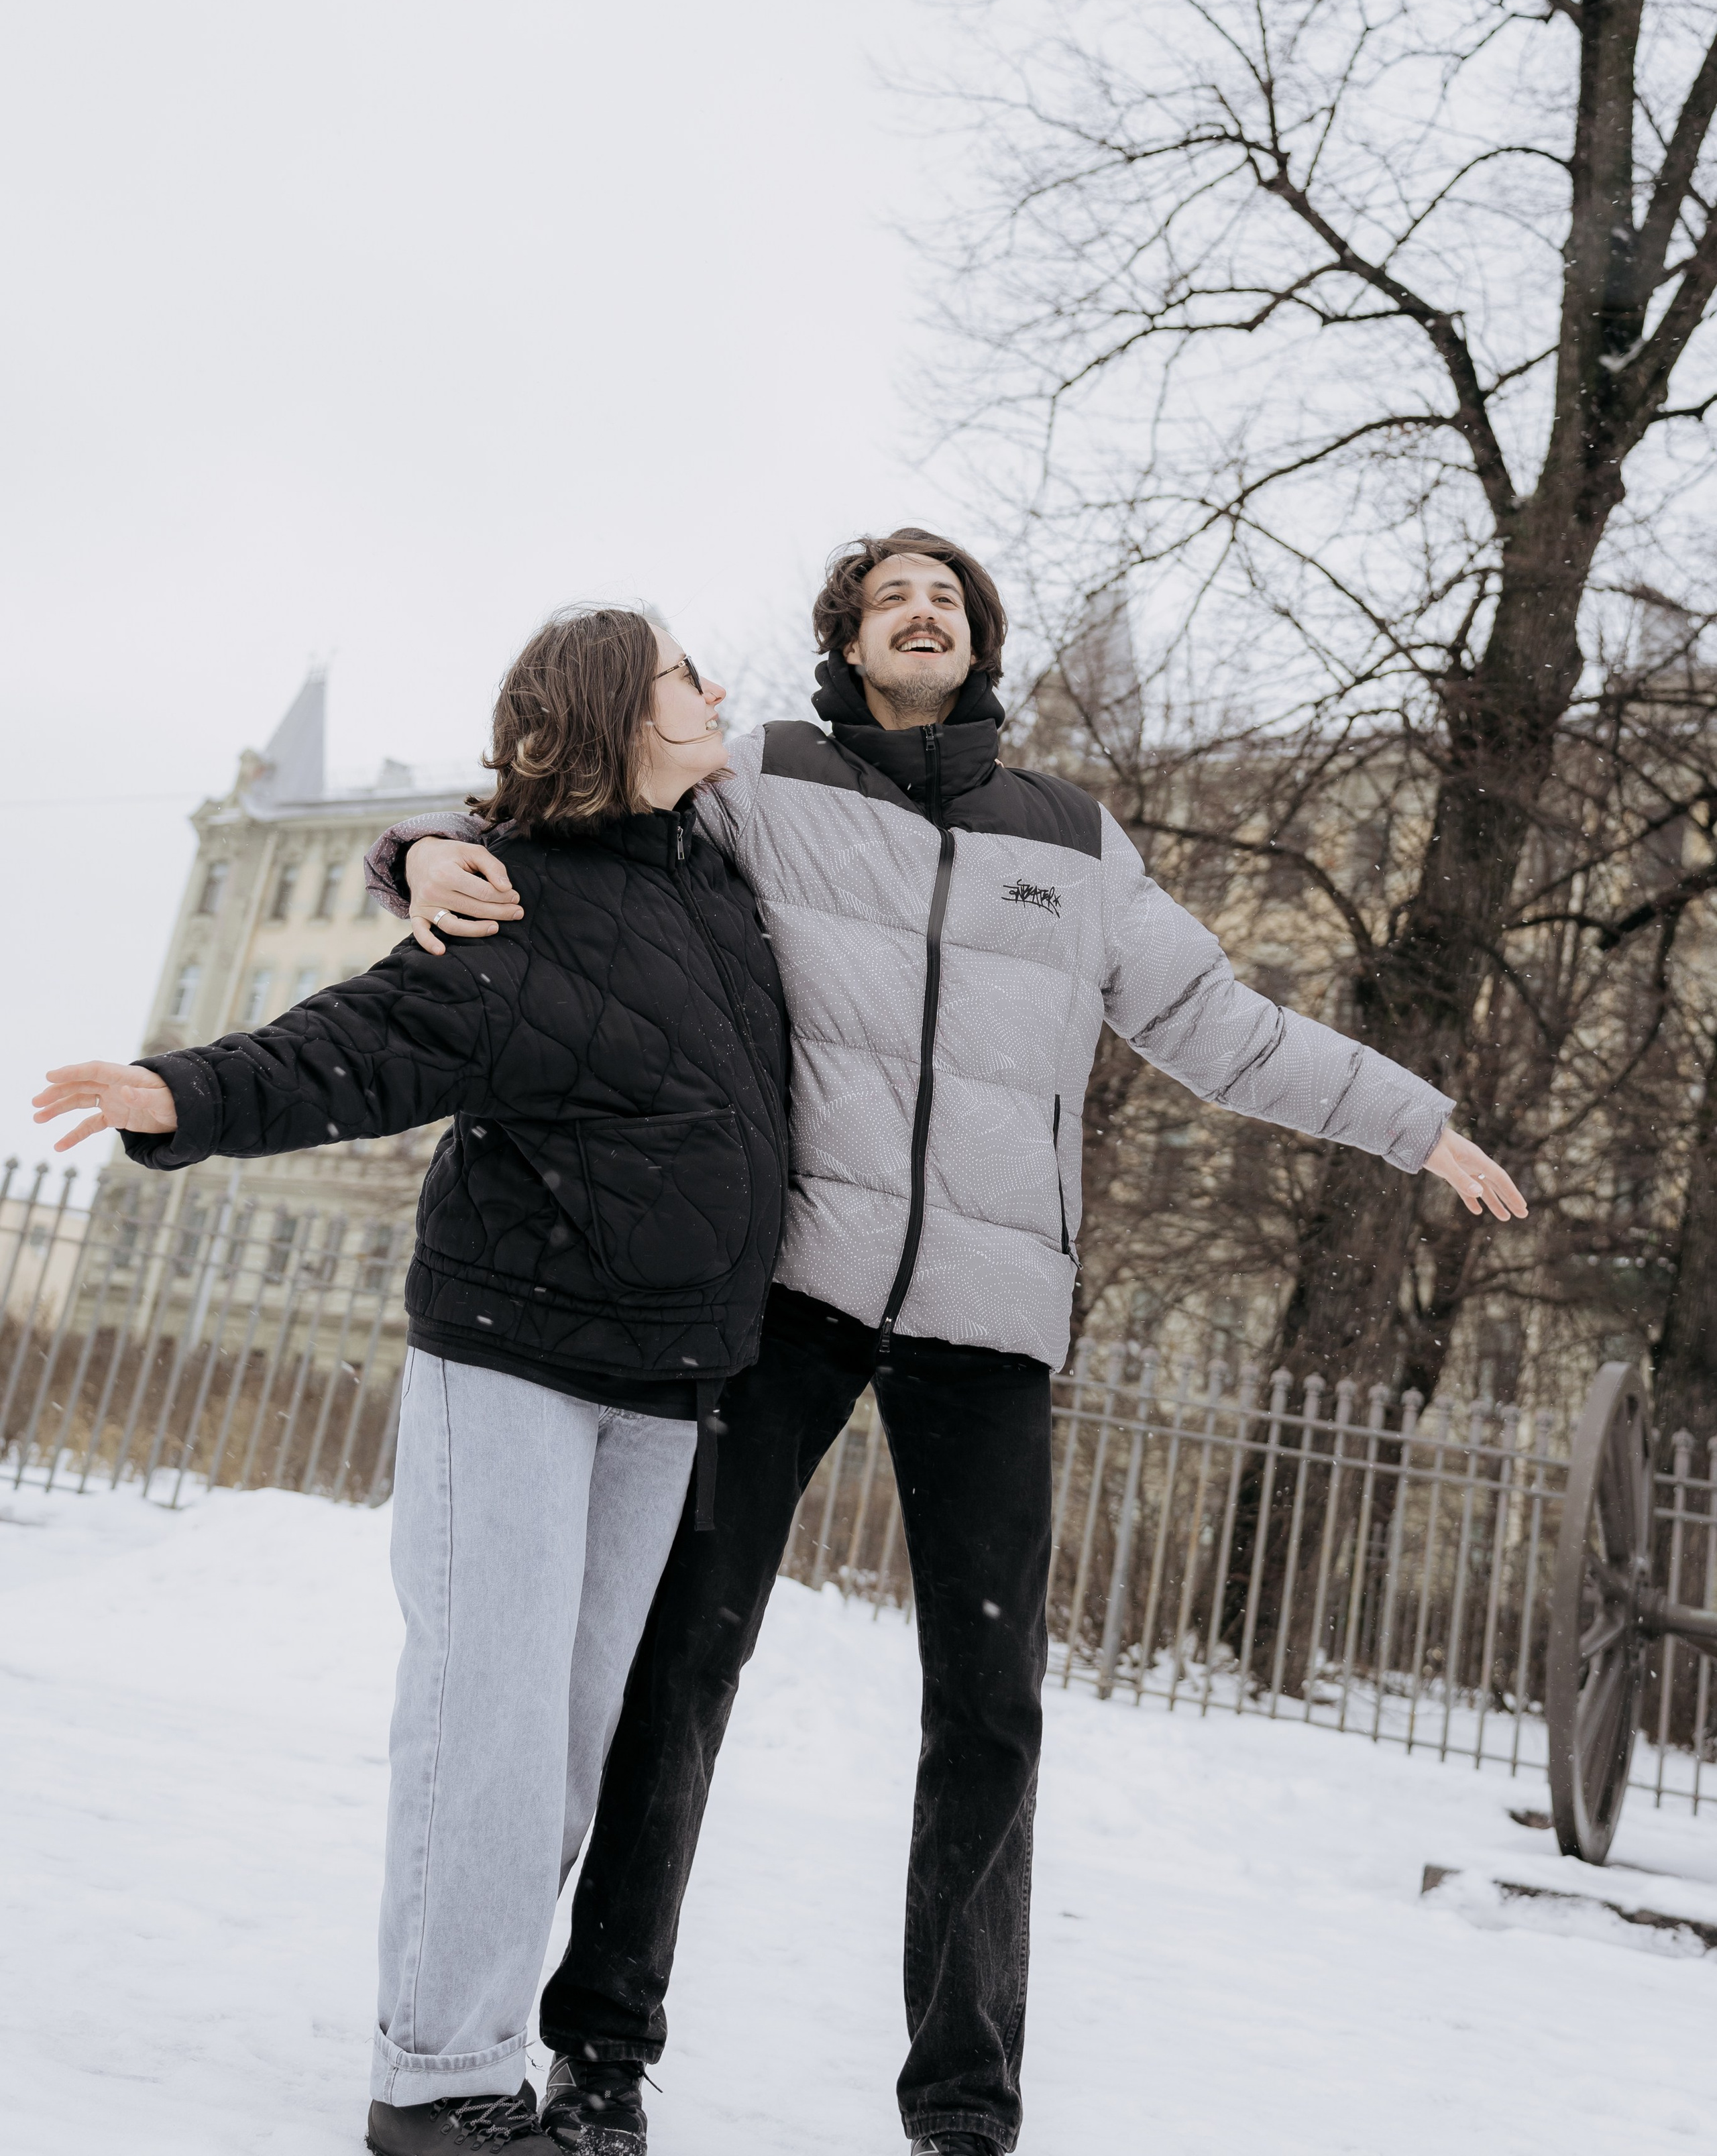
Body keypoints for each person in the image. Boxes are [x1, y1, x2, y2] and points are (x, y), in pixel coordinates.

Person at [373, 526, 1529, 2156]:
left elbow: (1217, 1026)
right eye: (888, 597)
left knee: (987, 1707)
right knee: (682, 1664)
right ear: (846, 641)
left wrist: (1409, 1122)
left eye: (947, 599)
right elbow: (574, 810)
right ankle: (602, 2054)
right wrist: (419, 850)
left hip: (988, 1319)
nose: (920, 613)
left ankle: (964, 2108)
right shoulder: (763, 779)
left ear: (977, 643)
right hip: (788, 1294)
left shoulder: (1070, 837)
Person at [34, 607, 791, 2156]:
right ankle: (438, 2083)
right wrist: (179, 1091)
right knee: (485, 1722)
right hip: (516, 1359)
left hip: (667, 1383)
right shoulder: (514, 900)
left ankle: (471, 2049)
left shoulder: (719, 883)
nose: (715, 689)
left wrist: (412, 841)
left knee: (564, 1747)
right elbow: (359, 1043)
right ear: (613, 712)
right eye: (680, 677)